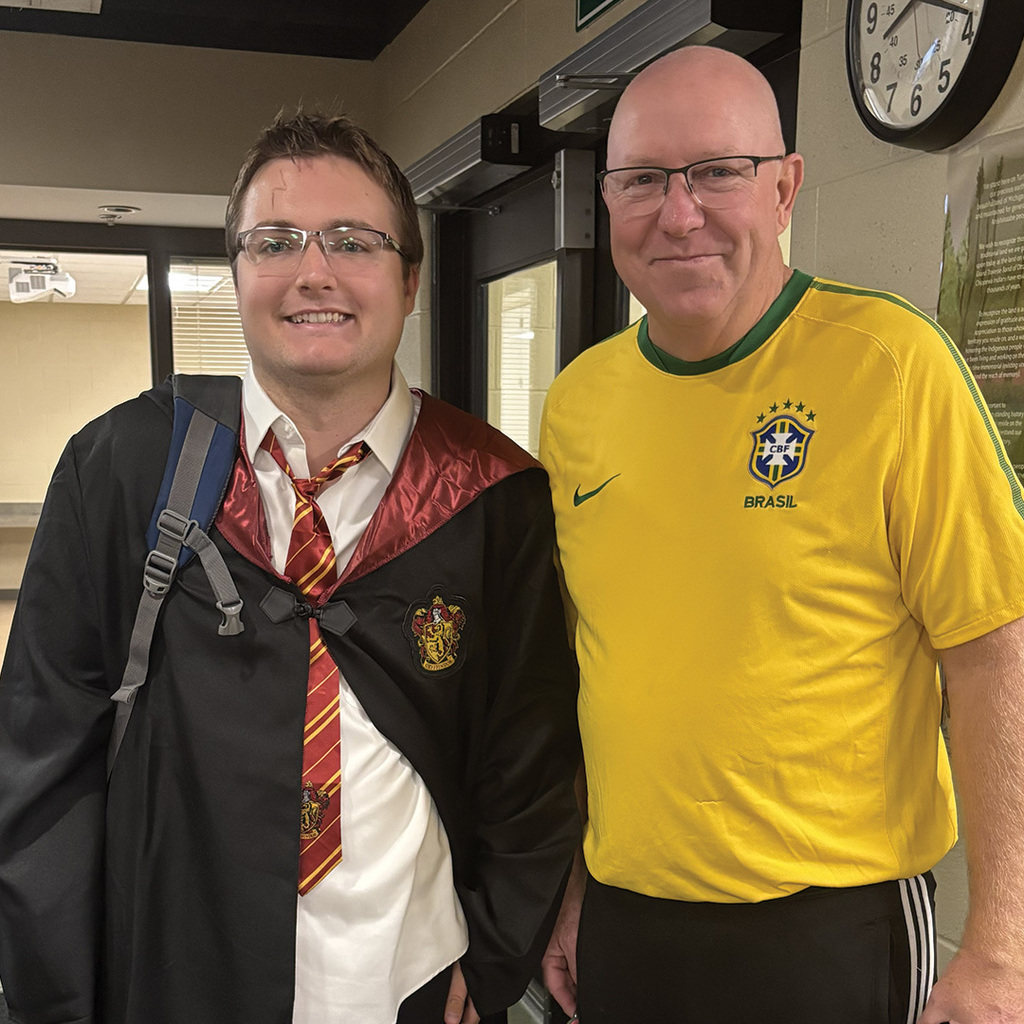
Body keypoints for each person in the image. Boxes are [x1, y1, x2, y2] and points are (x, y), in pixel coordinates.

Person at [0, 112, 580, 1024]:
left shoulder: (491, 492)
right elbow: (41, 761)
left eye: (353, 240)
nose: (315, 271)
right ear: (236, 274)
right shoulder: (124, 468)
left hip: (414, 976)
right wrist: (57, 995)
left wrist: (499, 951)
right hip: (180, 971)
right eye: (275, 242)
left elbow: (532, 758)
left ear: (411, 279)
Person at [539, 45, 1024, 1024]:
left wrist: (1003, 948)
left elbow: (993, 654)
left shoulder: (890, 366)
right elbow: (598, 664)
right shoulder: (577, 401)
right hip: (630, 923)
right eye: (642, 181)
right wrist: (577, 880)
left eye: (717, 172)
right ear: (606, 201)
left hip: (827, 929)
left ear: (785, 188)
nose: (678, 214)